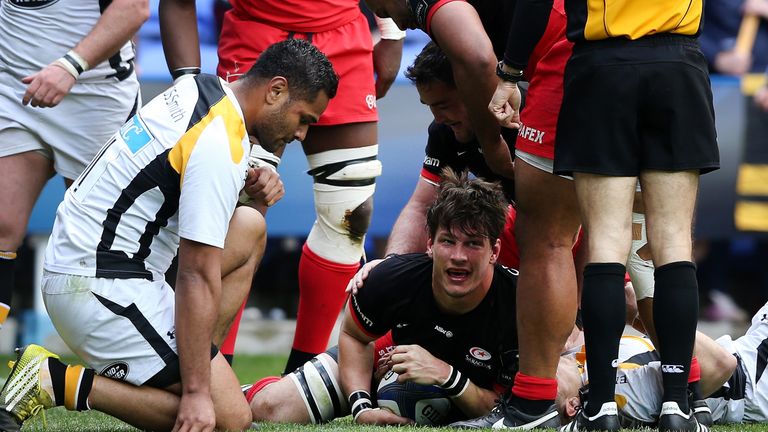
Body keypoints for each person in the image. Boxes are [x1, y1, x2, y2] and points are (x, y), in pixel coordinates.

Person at [0, 39, 338, 432]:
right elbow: (196, 273)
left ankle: (194, 371)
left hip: (89, 265)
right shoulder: (219, 143)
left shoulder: (202, 90)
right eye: (304, 119)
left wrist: (249, 185)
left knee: (250, 228)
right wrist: (197, 395)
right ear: (276, 90)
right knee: (230, 420)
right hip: (99, 288)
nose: (301, 134)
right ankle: (53, 380)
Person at [490, 0, 720, 430]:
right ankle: (678, 407)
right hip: (678, 65)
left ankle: (601, 406)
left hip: (602, 69)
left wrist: (509, 73)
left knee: (607, 246)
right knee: (671, 243)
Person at [159, 0, 406, 374]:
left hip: (343, 31)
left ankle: (303, 371)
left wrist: (391, 31)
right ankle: (210, 366)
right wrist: (190, 85)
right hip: (259, 36)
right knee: (234, 206)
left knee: (352, 211)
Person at [244, 169, 521, 426]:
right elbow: (354, 336)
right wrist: (362, 406)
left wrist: (447, 377)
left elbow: (514, 411)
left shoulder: (521, 306)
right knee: (271, 407)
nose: (458, 257)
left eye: (473, 244)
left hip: (474, 386)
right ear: (430, 245)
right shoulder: (392, 278)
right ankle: (243, 392)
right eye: (447, 241)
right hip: (388, 360)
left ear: (494, 251)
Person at [0, 0, 149, 334]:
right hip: (13, 87)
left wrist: (70, 65)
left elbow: (134, 7)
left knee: (108, 252)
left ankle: (139, 372)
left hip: (96, 98)